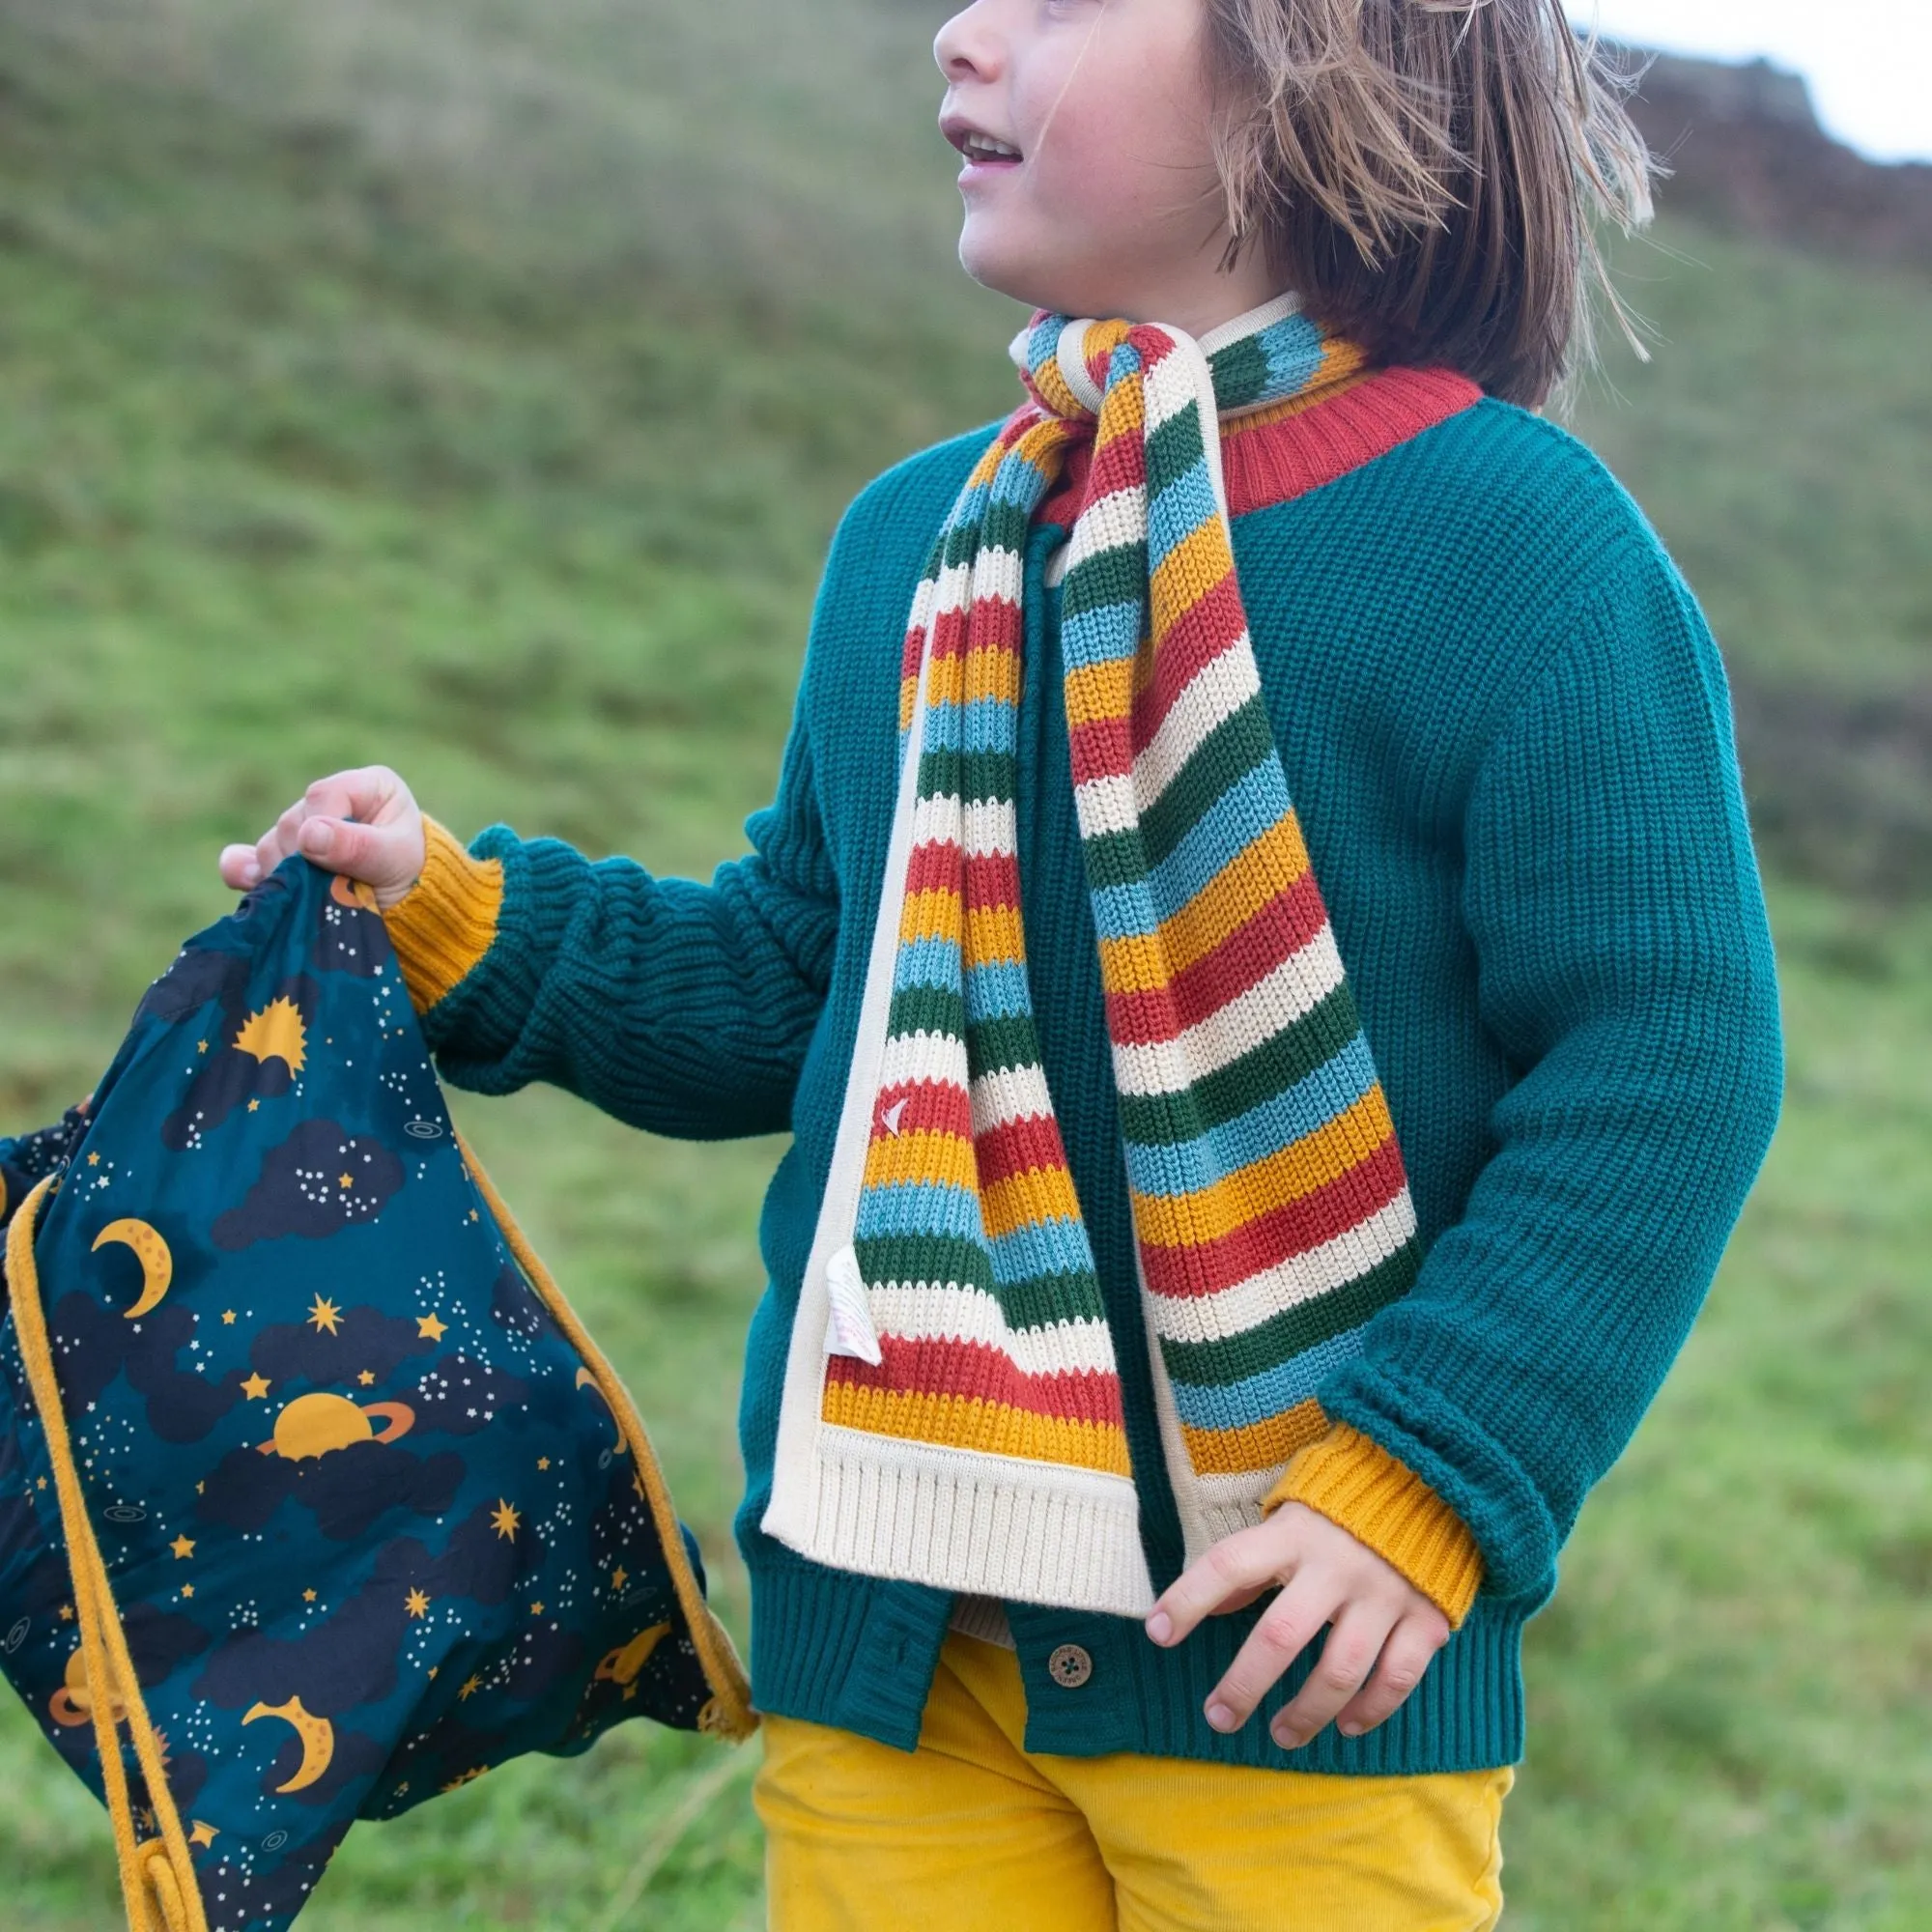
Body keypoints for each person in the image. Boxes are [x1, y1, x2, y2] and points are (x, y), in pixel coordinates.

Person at [217, 0, 1784, 1923]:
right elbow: (803, 978)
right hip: (890, 1626)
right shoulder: (915, 547)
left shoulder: (1517, 549)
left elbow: (1665, 1056)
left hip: (1285, 1645)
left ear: (1315, 59)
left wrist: (1431, 1481)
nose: (962, 34)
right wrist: (459, 914)